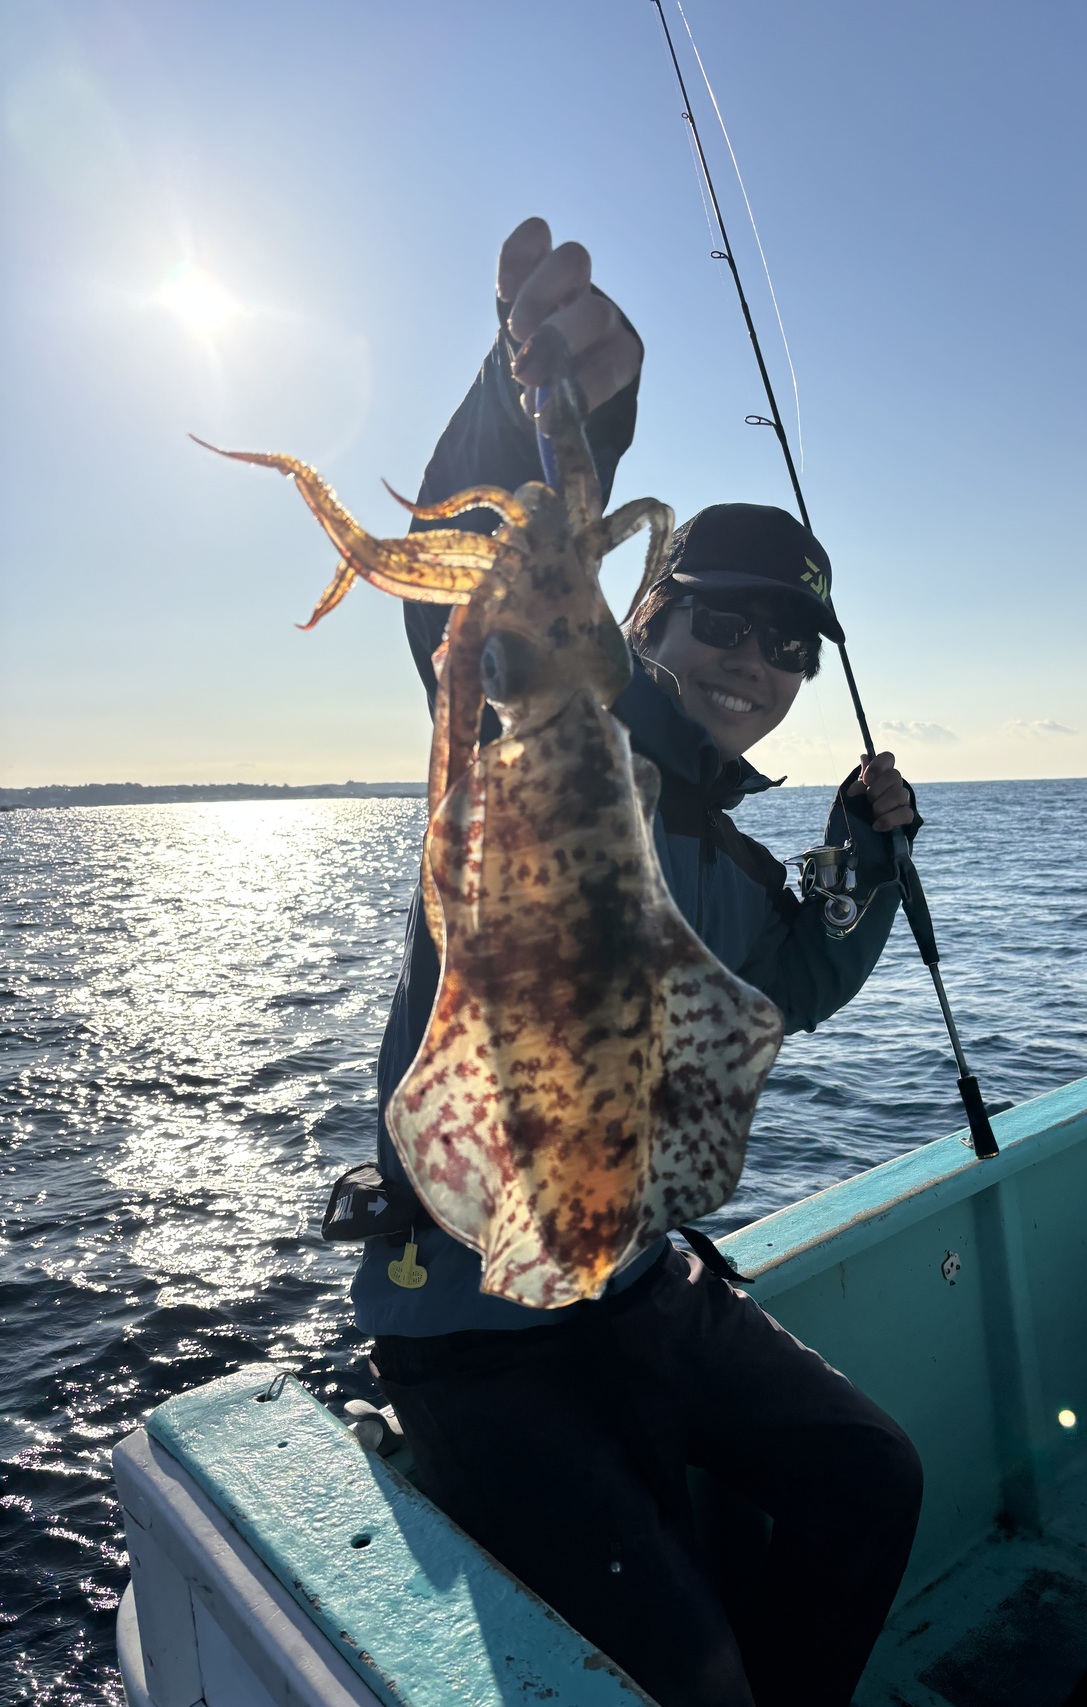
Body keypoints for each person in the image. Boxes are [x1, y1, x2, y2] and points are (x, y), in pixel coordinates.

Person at [352, 218, 923, 1707]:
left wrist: (864, 861)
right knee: (694, 1675)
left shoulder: (728, 861)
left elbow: (791, 984)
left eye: (792, 647)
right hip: (468, 1318)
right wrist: (543, 409)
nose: (756, 663)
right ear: (644, 618)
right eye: (724, 623)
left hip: (640, 1277)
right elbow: (479, 610)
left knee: (871, 1476)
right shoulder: (548, 728)